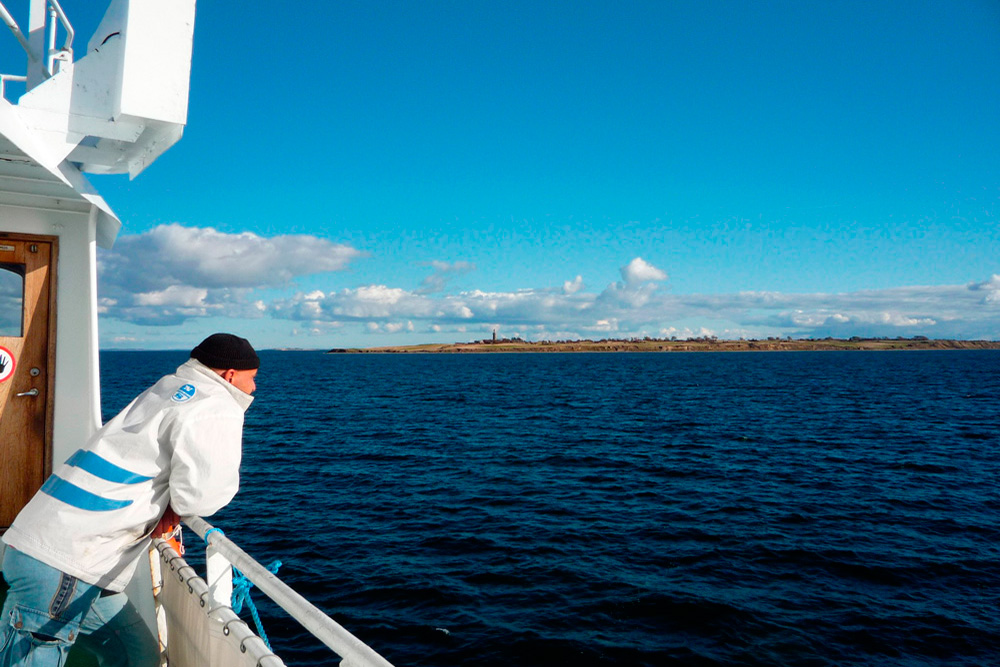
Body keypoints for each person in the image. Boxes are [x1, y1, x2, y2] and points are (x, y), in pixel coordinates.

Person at [0, 333, 259, 667]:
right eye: (252, 379)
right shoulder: (216, 405)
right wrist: (178, 506)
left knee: (136, 654)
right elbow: (200, 495)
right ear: (230, 376)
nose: (253, 389)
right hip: (63, 562)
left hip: (63, 550)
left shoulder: (168, 388)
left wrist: (168, 505)